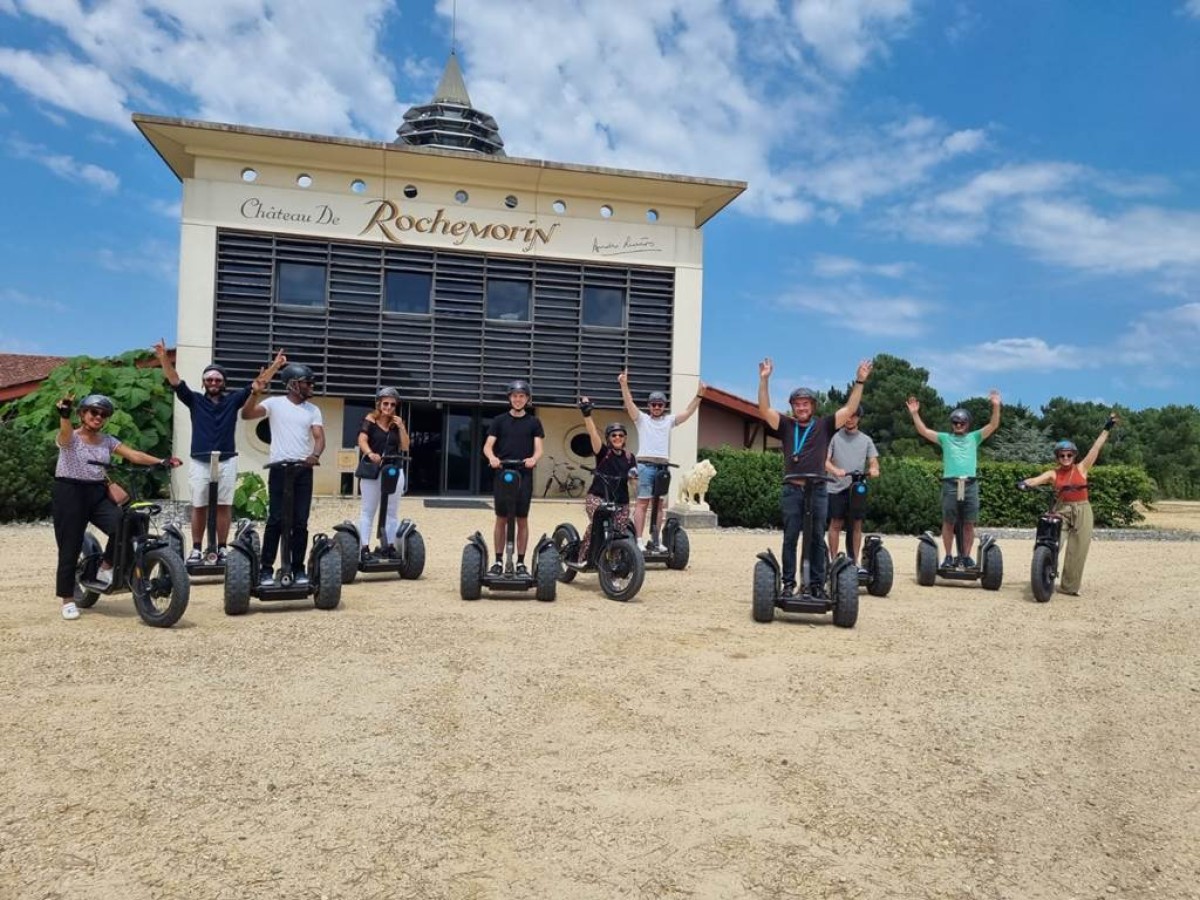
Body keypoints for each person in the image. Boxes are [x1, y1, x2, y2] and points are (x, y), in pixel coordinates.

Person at [52, 394, 181, 620]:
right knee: (70, 543)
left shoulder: (107, 440)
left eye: (103, 414)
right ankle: (68, 599)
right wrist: (64, 415)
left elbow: (133, 455)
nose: (98, 417)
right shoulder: (71, 437)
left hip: (97, 491)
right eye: (94, 412)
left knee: (125, 524)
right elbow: (63, 436)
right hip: (70, 491)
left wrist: (161, 461)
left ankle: (106, 566)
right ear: (82, 414)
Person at [154, 340, 285, 562]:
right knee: (199, 505)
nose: (213, 383)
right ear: (204, 382)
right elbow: (175, 381)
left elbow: (257, 384)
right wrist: (163, 358)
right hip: (200, 459)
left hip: (226, 459)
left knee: (224, 505)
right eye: (209, 380)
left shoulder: (233, 400)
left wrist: (275, 366)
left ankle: (222, 548)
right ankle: (197, 548)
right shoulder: (194, 400)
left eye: (217, 380)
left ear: (224, 383)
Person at [758, 358, 873, 598]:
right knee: (791, 537)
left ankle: (817, 586)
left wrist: (860, 381)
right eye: (797, 404)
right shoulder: (786, 426)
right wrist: (764, 380)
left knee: (817, 538)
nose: (801, 408)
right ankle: (788, 584)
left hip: (818, 490)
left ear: (813, 406)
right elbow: (764, 410)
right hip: (793, 489)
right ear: (793, 407)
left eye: (805, 404)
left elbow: (849, 409)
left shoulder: (825, 425)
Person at [241, 360, 325, 586]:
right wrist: (254, 393)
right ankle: (266, 569)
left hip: (303, 470)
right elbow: (247, 415)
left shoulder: (313, 410)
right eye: (307, 383)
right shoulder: (274, 403)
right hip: (279, 469)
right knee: (276, 519)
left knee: (300, 522)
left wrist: (315, 455)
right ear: (293, 384)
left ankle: (297, 568)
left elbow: (319, 437)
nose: (311, 386)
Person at [1018, 413, 1118, 596]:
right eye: (1062, 455)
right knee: (1052, 542)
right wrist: (1024, 483)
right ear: (1057, 457)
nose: (1065, 457)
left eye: (1069, 455)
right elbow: (1036, 480)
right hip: (1062, 510)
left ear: (1074, 456)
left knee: (1078, 550)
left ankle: (1069, 587)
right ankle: (1043, 577)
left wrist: (1107, 428)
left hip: (1083, 509)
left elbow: (1096, 448)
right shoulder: (1053, 474)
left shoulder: (1082, 468)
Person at [906, 392, 1002, 567]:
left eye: (962, 423)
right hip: (950, 483)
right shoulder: (945, 438)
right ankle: (949, 556)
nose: (958, 425)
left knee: (969, 523)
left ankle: (966, 557)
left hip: (970, 483)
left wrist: (996, 406)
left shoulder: (974, 437)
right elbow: (924, 431)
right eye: (955, 423)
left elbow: (993, 425)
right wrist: (914, 414)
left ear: (967, 424)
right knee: (948, 522)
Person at [617, 371, 704, 550]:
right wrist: (623, 385)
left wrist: (699, 395)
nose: (656, 407)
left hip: (662, 467)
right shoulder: (642, 419)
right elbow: (629, 403)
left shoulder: (669, 421)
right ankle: (639, 540)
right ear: (649, 406)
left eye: (660, 404)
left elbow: (688, 412)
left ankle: (655, 540)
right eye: (654, 404)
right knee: (643, 503)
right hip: (645, 465)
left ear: (664, 406)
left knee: (659, 505)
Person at [482, 379, 544, 575]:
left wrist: (533, 459)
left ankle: (521, 563)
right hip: (502, 473)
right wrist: (492, 458)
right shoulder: (499, 421)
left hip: (524, 474)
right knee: (501, 518)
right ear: (509, 398)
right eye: (515, 396)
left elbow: (539, 449)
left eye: (522, 396)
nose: (518, 399)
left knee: (522, 519)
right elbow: (487, 446)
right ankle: (498, 561)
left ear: (527, 399)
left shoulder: (534, 422)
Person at [575, 396, 638, 562]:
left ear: (625, 438)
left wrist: (640, 493)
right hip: (598, 497)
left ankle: (613, 564)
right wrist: (587, 415)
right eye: (613, 435)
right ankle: (582, 557)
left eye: (621, 435)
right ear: (609, 438)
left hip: (621, 501)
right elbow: (593, 434)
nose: (617, 438)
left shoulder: (630, 457)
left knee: (618, 533)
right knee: (597, 524)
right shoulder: (603, 453)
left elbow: (633, 480)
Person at [355, 387, 411, 561]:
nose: (389, 407)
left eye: (392, 405)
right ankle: (364, 547)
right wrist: (370, 453)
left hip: (393, 470)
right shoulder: (370, 419)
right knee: (368, 510)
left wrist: (401, 427)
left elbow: (405, 446)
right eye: (385, 403)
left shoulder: (396, 424)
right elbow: (362, 440)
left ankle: (390, 546)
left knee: (391, 511)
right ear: (379, 404)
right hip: (373, 469)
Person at [824, 406, 880, 564]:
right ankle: (833, 560)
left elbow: (873, 461)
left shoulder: (866, 440)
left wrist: (874, 469)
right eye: (848, 416)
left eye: (854, 416)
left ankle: (854, 561)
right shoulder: (834, 437)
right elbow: (825, 461)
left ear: (859, 418)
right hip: (836, 487)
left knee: (856, 524)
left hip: (856, 489)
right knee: (836, 523)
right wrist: (835, 470)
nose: (850, 419)